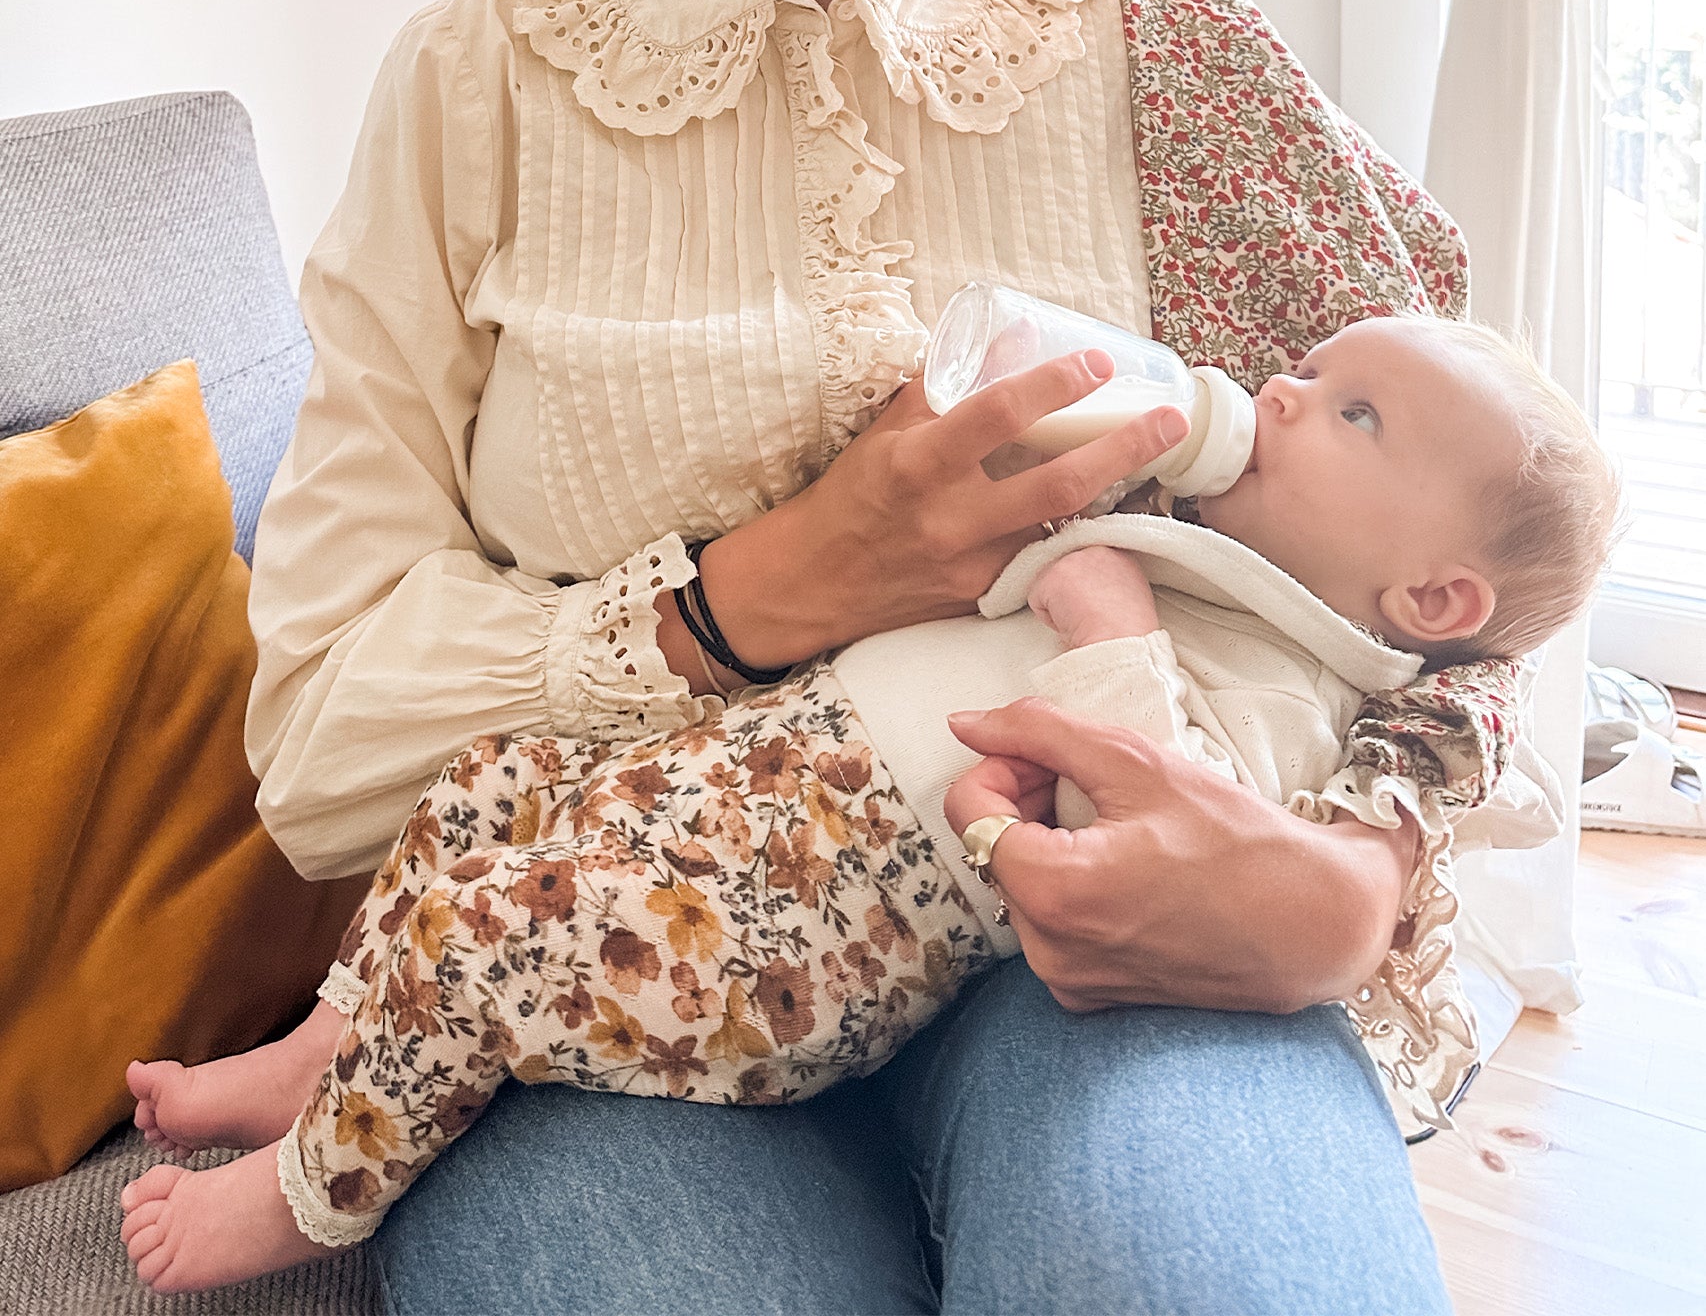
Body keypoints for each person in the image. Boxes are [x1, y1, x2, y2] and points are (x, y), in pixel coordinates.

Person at [122, 0, 1533, 1314]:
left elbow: (1492, 534)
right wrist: (746, 599)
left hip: (1085, 949)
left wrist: (1346, 883)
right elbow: (325, 743)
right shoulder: (482, 87)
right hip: (607, 977)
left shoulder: (1162, 51)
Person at [119, 313, 1617, 1291]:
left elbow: (1174, 837)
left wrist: (1113, 638)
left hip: (828, 912)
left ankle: (305, 1200)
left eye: (1352, 416)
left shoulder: (1306, 683)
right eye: (1316, 370)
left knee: (486, 943)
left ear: (1431, 600)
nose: (1280, 387)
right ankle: (323, 1049)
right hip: (767, 769)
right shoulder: (1211, 541)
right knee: (485, 788)